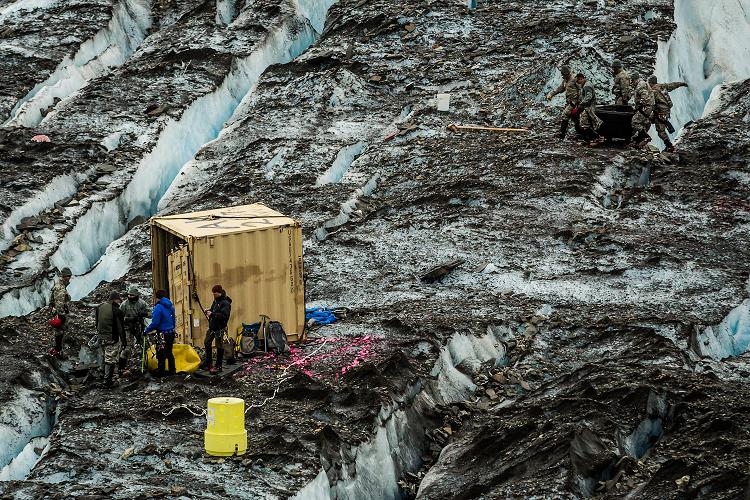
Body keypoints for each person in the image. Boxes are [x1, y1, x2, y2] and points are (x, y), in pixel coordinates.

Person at [95, 292, 126, 388]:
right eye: (118, 300)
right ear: (114, 300)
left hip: (101, 337)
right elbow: (120, 328)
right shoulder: (117, 311)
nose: (119, 303)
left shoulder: (100, 307)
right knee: (110, 359)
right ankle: (107, 382)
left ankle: (102, 375)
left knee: (104, 356)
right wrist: (124, 341)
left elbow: (97, 322)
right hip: (112, 338)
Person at [649, 76, 687, 152]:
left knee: (661, 131)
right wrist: (681, 84)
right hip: (666, 112)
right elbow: (672, 85)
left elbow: (650, 103)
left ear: (650, 83)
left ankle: (670, 146)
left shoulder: (653, 91)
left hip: (660, 112)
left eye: (649, 82)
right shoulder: (663, 87)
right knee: (651, 120)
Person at [144, 290, 176, 378]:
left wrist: (146, 331)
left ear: (157, 298)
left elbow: (155, 323)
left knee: (161, 354)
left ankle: (161, 374)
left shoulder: (158, 307)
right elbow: (173, 320)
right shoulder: (170, 306)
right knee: (169, 353)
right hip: (171, 333)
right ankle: (172, 372)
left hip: (162, 335)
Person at [119, 286, 151, 375]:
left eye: (132, 295)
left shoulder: (142, 303)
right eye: (129, 295)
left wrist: (144, 313)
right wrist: (128, 319)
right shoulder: (124, 304)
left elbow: (151, 314)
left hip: (139, 327)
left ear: (137, 295)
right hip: (127, 329)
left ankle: (148, 364)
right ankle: (121, 368)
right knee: (127, 349)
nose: (130, 297)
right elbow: (119, 317)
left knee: (145, 346)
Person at [202, 285, 232, 375]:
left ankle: (218, 366)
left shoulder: (226, 303)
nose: (213, 294)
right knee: (207, 343)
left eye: (215, 293)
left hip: (220, 329)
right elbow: (213, 310)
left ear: (219, 292)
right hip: (212, 327)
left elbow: (224, 316)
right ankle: (209, 362)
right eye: (213, 293)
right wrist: (208, 310)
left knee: (219, 346)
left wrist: (212, 314)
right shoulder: (215, 301)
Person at [546, 65, 581, 139]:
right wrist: (551, 94)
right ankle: (580, 133)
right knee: (574, 117)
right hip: (569, 101)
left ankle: (562, 133)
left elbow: (581, 90)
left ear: (568, 73)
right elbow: (560, 89)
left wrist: (580, 101)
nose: (564, 77)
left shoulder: (575, 79)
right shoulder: (565, 80)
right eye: (563, 76)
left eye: (565, 75)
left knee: (565, 114)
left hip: (575, 101)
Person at [48, 267, 72, 359]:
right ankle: (57, 351)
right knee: (60, 332)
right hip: (59, 313)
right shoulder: (60, 288)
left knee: (58, 332)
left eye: (70, 276)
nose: (69, 278)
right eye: (68, 276)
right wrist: (62, 316)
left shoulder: (60, 285)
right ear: (64, 276)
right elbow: (59, 304)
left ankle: (56, 349)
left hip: (56, 312)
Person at [574, 73, 604, 145]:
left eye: (578, 80)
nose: (578, 82)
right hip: (588, 106)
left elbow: (588, 97)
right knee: (586, 122)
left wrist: (581, 103)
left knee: (584, 122)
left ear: (581, 78)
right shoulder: (587, 84)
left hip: (589, 107)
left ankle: (596, 137)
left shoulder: (586, 86)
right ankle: (591, 138)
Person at [630, 72, 655, 148]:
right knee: (642, 123)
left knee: (635, 122)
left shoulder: (640, 85)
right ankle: (639, 140)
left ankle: (646, 137)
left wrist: (640, 105)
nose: (632, 82)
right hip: (647, 107)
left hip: (645, 107)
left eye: (632, 80)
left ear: (635, 79)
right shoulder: (642, 83)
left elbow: (644, 95)